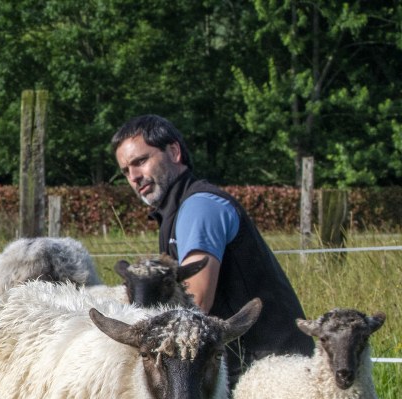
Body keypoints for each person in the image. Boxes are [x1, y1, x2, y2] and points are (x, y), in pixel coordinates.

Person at [111, 114, 312, 385]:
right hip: (251, 367)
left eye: (141, 161)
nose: (134, 177)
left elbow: (196, 304)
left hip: (271, 370)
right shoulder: (177, 210)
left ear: (173, 151)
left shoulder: (200, 208)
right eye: (125, 171)